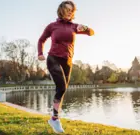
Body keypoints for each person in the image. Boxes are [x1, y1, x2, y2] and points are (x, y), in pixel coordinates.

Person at [37, 0, 94, 133]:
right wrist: (40, 53)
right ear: (61, 10)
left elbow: (91, 33)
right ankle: (55, 119)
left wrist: (85, 28)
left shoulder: (74, 26)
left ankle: (53, 119)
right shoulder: (52, 26)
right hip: (53, 59)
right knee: (61, 86)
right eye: (67, 9)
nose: (70, 12)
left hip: (67, 61)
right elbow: (41, 40)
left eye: (72, 10)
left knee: (61, 90)